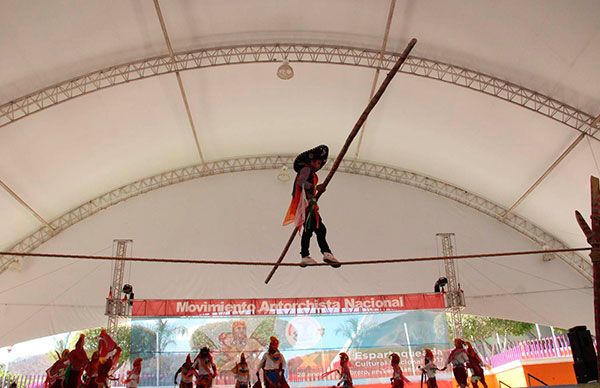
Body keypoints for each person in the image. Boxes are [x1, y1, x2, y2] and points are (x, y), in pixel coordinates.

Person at [283, 145, 340, 268]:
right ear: (312, 161)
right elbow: (301, 182)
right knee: (320, 229)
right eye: (318, 162)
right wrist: (315, 187)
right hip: (307, 205)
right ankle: (325, 253)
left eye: (320, 163)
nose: (319, 165)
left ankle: (305, 255)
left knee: (309, 230)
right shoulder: (306, 169)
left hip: (308, 205)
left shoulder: (310, 173)